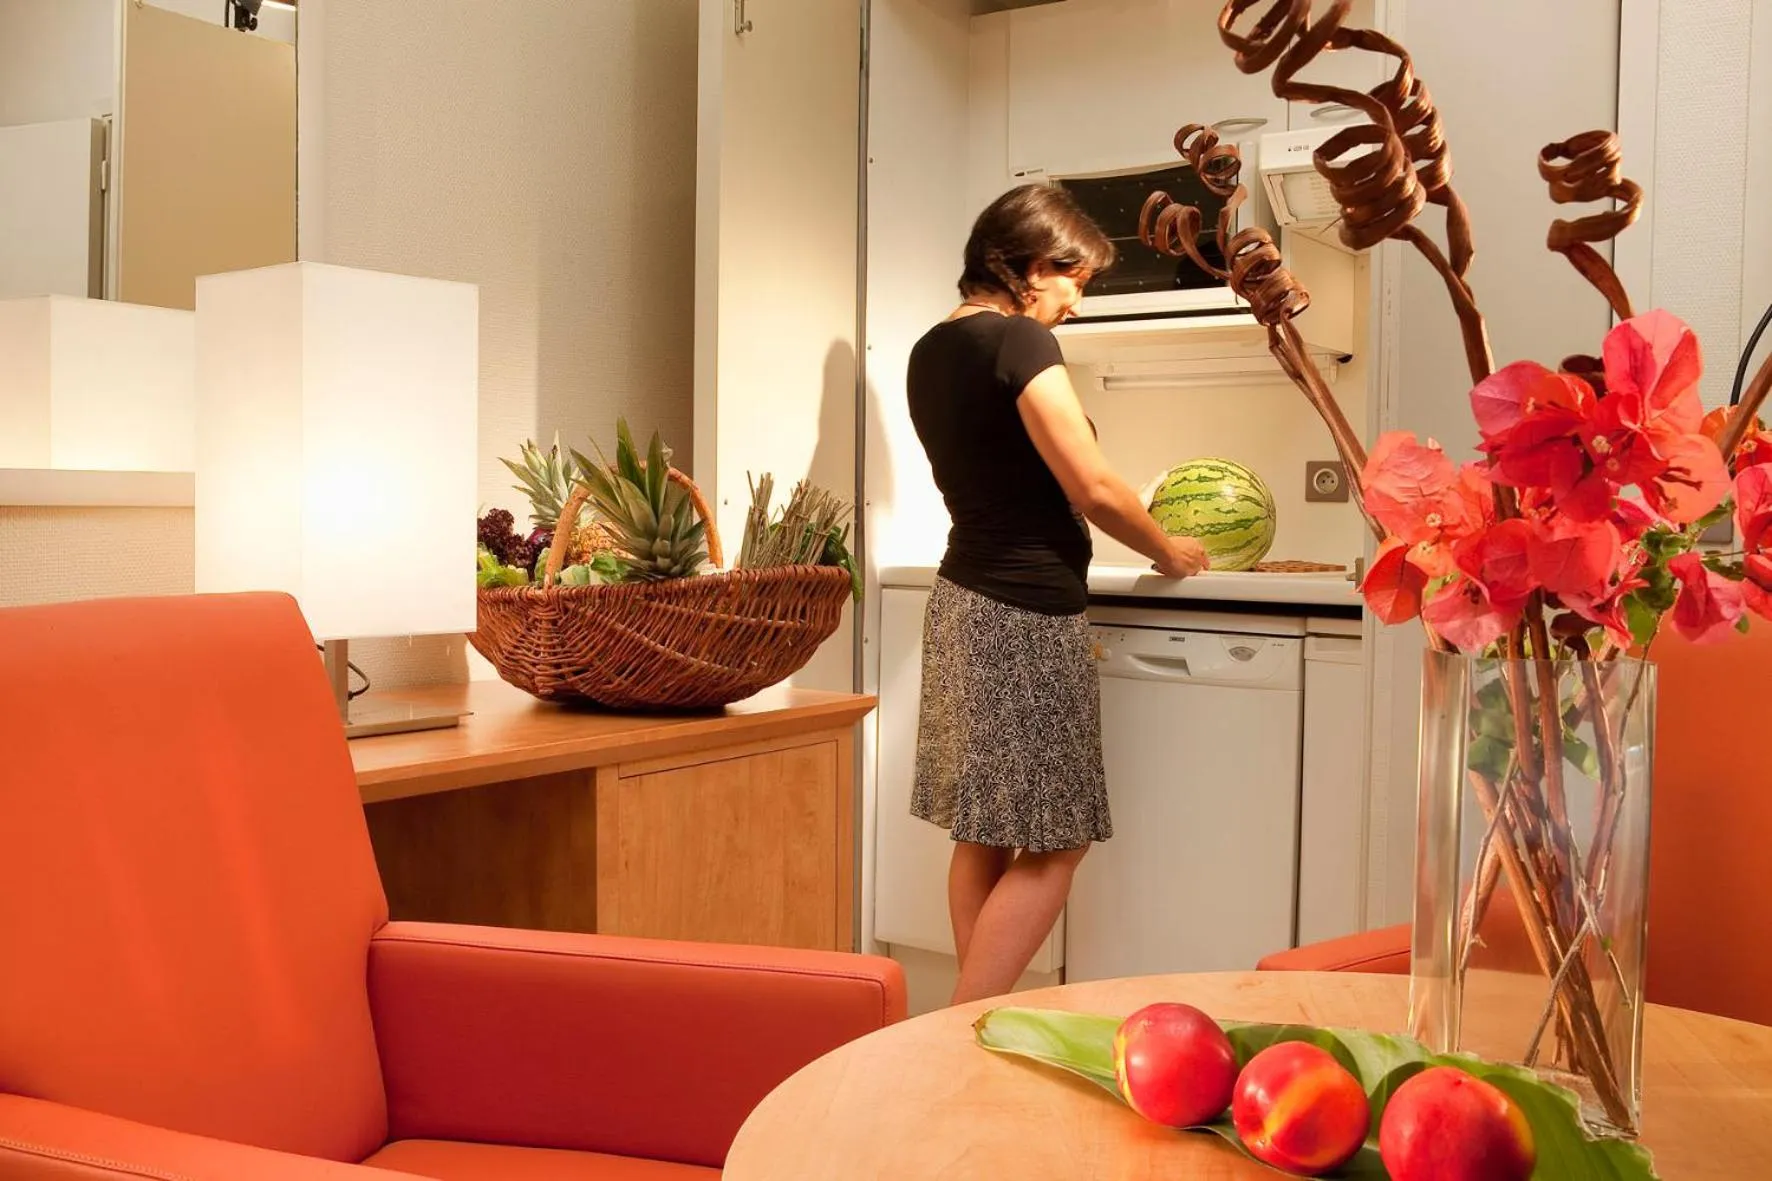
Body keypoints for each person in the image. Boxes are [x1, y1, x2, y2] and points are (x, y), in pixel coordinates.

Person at [906, 184, 1210, 1006]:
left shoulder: (930, 349)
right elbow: (1093, 486)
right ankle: (965, 1024)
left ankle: (972, 1026)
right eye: (1076, 279)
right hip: (1025, 615)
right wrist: (1167, 547)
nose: (1078, 300)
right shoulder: (1020, 340)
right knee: (1058, 839)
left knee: (985, 828)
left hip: (963, 601)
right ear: (1034, 265)